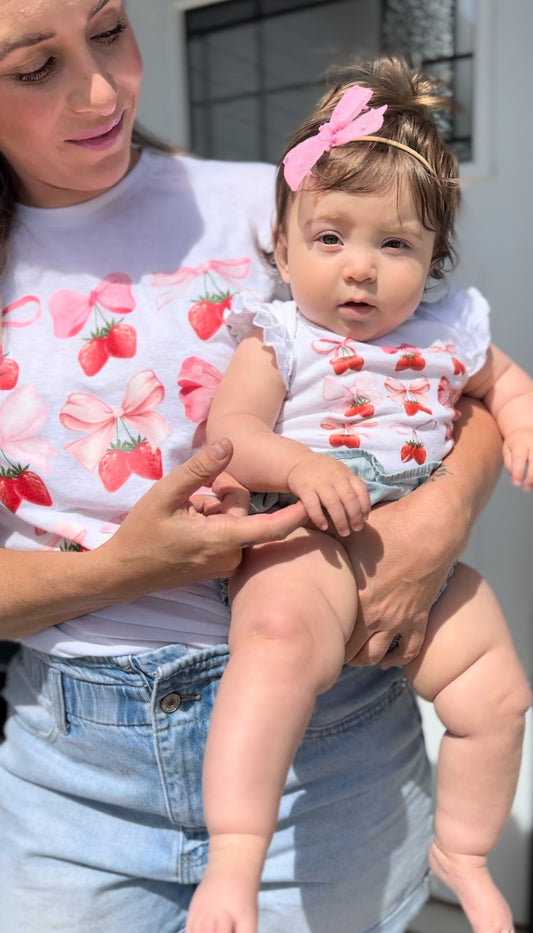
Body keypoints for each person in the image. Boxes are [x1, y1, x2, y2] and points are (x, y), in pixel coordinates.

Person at [0, 3, 507, 931]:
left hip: (335, 742)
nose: (103, 88)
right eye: (33, 67)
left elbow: (457, 386)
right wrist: (128, 567)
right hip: (77, 772)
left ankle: (464, 855)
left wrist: (439, 519)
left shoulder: (286, 199)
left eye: (110, 28)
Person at [192, 58, 533, 933]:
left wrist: (521, 420)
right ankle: (234, 854)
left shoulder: (450, 328)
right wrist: (299, 467)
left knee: (497, 696)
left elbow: (506, 385)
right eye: (330, 237)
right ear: (282, 244)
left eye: (395, 245)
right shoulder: (278, 337)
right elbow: (229, 436)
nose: (360, 270)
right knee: (272, 641)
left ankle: (461, 848)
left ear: (432, 259)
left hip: (414, 548)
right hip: (304, 541)